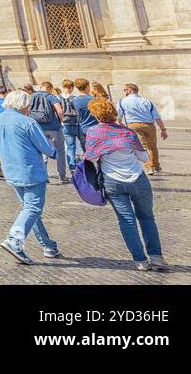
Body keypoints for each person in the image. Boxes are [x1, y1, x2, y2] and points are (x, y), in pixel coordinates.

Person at [85, 96, 166, 271]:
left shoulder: (93, 133)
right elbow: (144, 157)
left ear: (95, 115)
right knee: (147, 217)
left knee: (127, 221)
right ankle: (156, 257)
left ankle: (140, 261)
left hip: (112, 180)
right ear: (113, 113)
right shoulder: (128, 133)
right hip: (137, 178)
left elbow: (92, 158)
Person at [0, 89, 60, 265]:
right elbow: (44, 147)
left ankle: (48, 245)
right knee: (33, 209)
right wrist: (54, 152)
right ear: (22, 105)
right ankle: (14, 240)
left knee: (28, 209)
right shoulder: (27, 122)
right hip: (31, 170)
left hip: (11, 170)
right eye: (28, 104)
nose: (29, 107)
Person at [117, 84, 167, 176]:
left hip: (133, 125)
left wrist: (120, 123)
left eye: (125, 90)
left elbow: (119, 116)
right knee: (152, 146)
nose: (124, 91)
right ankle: (156, 166)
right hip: (149, 125)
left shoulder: (122, 101)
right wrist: (163, 129)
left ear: (130, 90)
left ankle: (149, 167)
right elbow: (157, 117)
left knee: (143, 147)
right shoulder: (147, 101)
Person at [27, 81, 67, 184]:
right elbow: (60, 111)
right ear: (49, 88)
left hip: (38, 128)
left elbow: (26, 110)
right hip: (54, 128)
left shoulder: (32, 96)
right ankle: (62, 176)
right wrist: (62, 121)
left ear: (41, 87)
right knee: (60, 151)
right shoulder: (51, 97)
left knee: (41, 152)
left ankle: (44, 176)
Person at [59, 78, 81, 169]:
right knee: (81, 146)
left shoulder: (57, 98)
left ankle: (72, 167)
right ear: (71, 87)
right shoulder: (75, 98)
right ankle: (83, 165)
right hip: (76, 124)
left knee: (70, 147)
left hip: (65, 124)